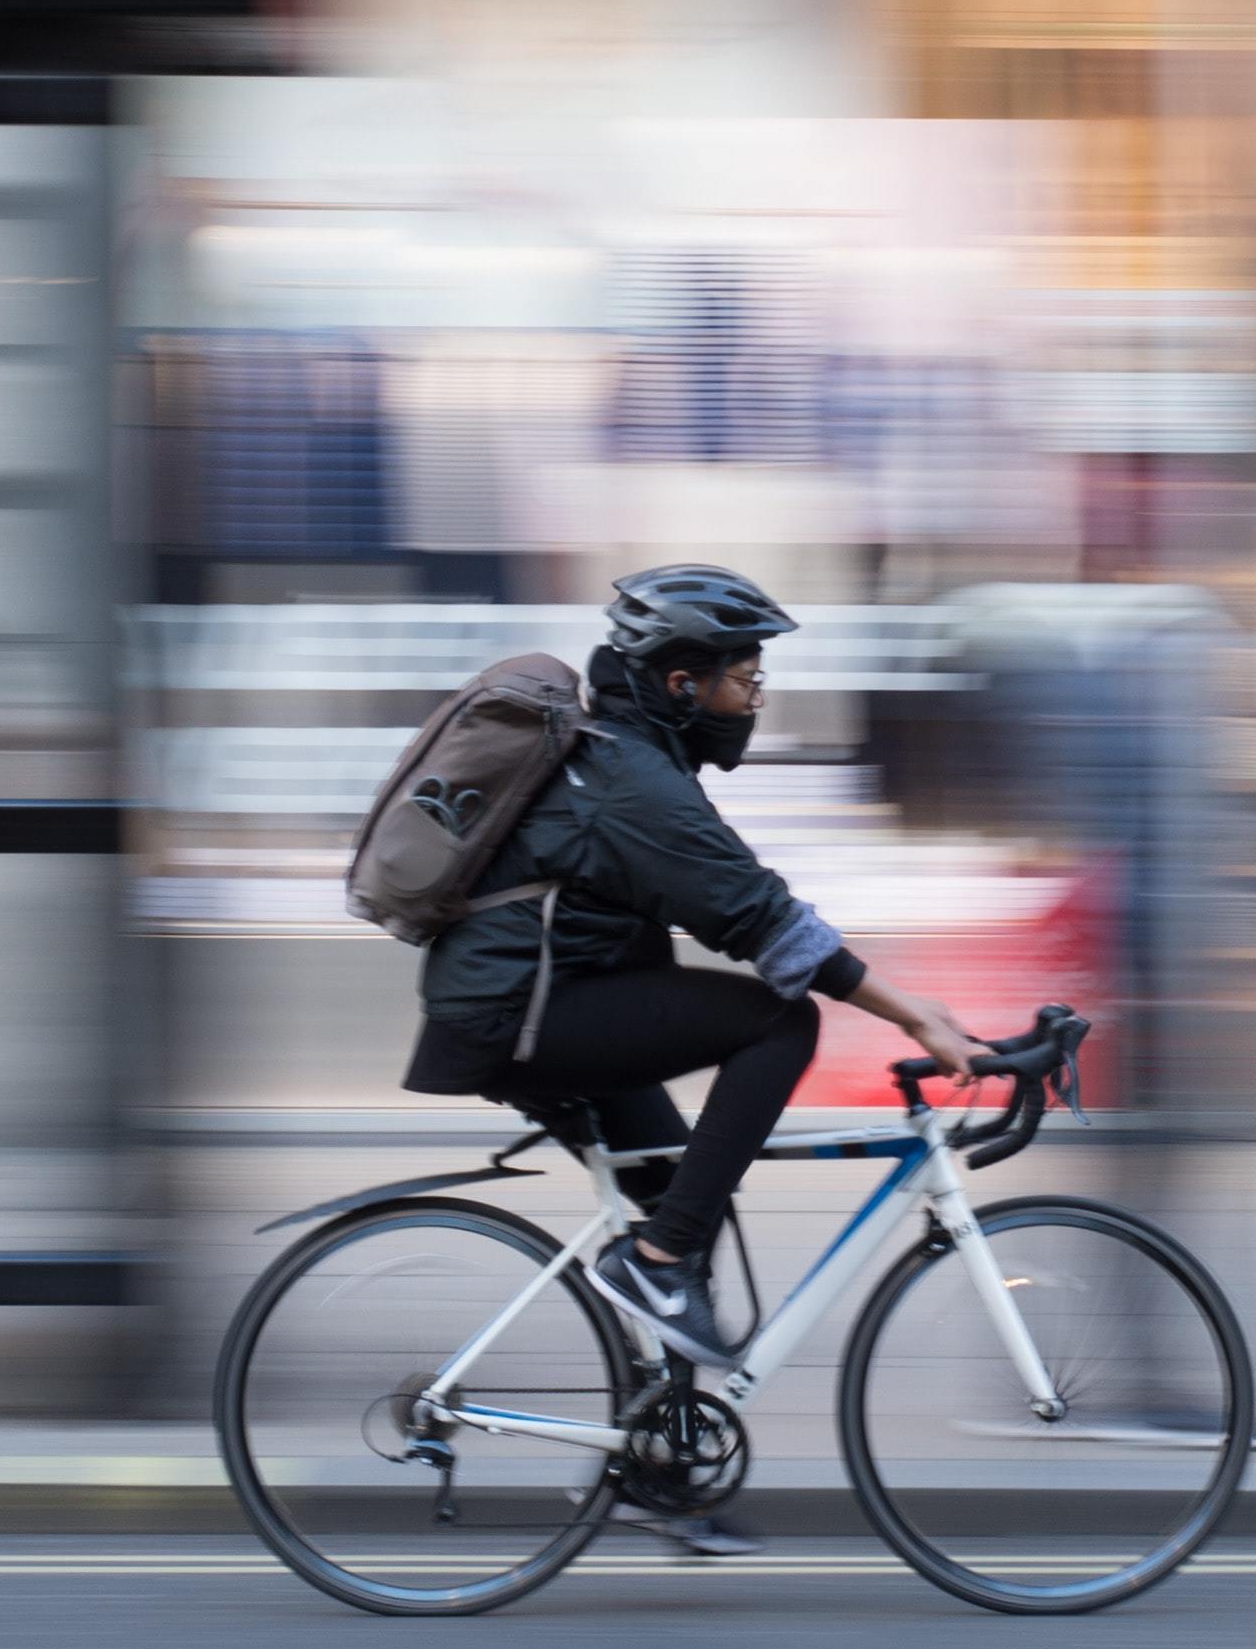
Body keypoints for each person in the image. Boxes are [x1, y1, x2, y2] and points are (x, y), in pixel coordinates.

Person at [402, 565, 989, 1419]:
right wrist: (918, 1018)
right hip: (513, 1016)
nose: (756, 698)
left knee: (684, 1196)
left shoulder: (629, 765)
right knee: (778, 1024)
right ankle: (662, 1266)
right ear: (683, 683)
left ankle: (664, 1463)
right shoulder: (630, 783)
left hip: (537, 1004)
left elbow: (742, 903)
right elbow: (762, 921)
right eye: (745, 679)